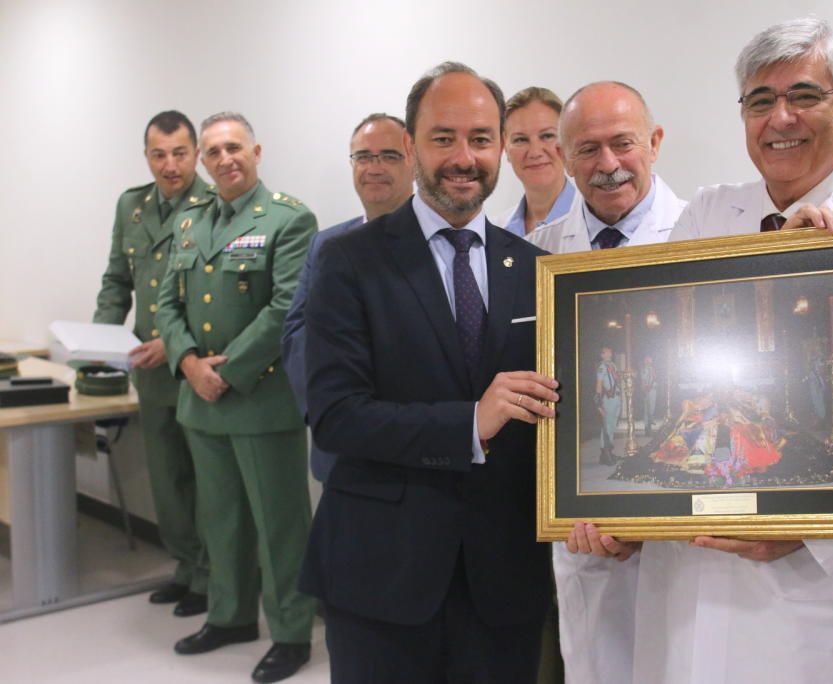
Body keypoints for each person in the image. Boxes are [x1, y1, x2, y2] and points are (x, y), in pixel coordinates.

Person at [572, 18, 833, 684]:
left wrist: (810, 527)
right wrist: (619, 515)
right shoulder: (706, 218)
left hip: (823, 608)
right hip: (688, 591)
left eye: (805, 96)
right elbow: (672, 354)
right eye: (760, 102)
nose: (780, 118)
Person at [300, 62, 557, 684]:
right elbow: (334, 415)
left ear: (501, 147)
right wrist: (470, 422)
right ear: (412, 144)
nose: (463, 157)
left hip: (505, 580)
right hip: (382, 577)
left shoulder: (540, 269)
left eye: (481, 138)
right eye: (444, 138)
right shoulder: (346, 261)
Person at [527, 80, 686, 684]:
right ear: (564, 159)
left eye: (623, 143)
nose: (608, 164)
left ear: (655, 142)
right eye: (587, 149)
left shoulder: (709, 240)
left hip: (686, 536)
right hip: (585, 536)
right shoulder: (535, 255)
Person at [156, 112, 317, 683]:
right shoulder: (189, 222)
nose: (225, 159)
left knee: (279, 526)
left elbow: (287, 308)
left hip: (259, 397)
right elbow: (167, 304)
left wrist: (228, 370)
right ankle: (229, 616)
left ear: (256, 150)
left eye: (234, 148)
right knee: (219, 519)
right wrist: (188, 363)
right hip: (201, 399)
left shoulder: (287, 218)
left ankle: (293, 631)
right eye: (214, 152)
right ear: (203, 161)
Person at [93, 110, 211, 617]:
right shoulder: (132, 208)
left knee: (207, 480)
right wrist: (99, 344)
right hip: (149, 371)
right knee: (167, 480)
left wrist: (174, 342)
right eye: (159, 155)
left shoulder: (215, 204)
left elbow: (215, 297)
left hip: (197, 368)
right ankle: (185, 568)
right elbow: (117, 280)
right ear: (147, 156)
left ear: (196, 154)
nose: (170, 166)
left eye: (180, 153)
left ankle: (213, 577)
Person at [282, 113, 414, 483]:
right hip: (338, 447)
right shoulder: (326, 244)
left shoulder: (438, 243)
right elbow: (296, 333)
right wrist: (326, 410)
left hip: (409, 449)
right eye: (363, 157)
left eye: (389, 156)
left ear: (414, 162)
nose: (374, 167)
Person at [495, 87, 580, 236]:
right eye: (520, 139)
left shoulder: (597, 221)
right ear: (505, 149)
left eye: (547, 136)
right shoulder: (495, 231)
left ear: (566, 142)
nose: (535, 152)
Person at [595, 346, 622, 465]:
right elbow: (599, 384)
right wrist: (599, 403)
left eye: (611, 351)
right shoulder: (602, 367)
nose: (610, 352)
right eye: (607, 351)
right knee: (607, 426)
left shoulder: (613, 365)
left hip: (616, 396)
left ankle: (608, 452)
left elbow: (617, 379)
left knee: (612, 425)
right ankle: (605, 453)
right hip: (608, 398)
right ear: (602, 355)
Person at [640, 355, 658, 437]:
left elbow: (655, 378)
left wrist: (650, 385)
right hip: (647, 390)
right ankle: (647, 427)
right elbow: (643, 380)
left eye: (650, 360)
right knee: (647, 409)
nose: (649, 361)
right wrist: (644, 389)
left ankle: (650, 423)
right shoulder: (644, 369)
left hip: (653, 390)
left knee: (652, 408)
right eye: (647, 360)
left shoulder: (652, 369)